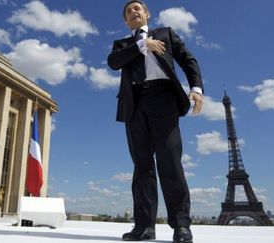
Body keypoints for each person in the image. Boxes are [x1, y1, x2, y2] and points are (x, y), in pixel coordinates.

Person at [107, 1, 203, 242]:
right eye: (128, 11)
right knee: (142, 167)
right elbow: (113, 62)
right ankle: (144, 227)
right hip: (134, 104)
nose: (133, 12)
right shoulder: (123, 44)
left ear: (147, 14)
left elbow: (188, 60)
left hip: (163, 98)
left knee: (169, 161)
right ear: (126, 21)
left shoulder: (165, 33)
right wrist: (142, 45)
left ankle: (181, 225)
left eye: (137, 8)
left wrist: (197, 89)